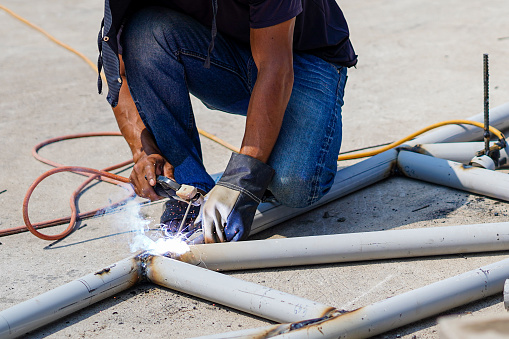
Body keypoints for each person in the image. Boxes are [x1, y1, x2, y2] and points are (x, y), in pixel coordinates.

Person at [98, 0, 357, 243]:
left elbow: (275, 69)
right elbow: (117, 68)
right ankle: (190, 192)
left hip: (301, 58)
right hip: (218, 51)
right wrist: (143, 151)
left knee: (294, 187)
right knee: (144, 32)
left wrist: (242, 178)